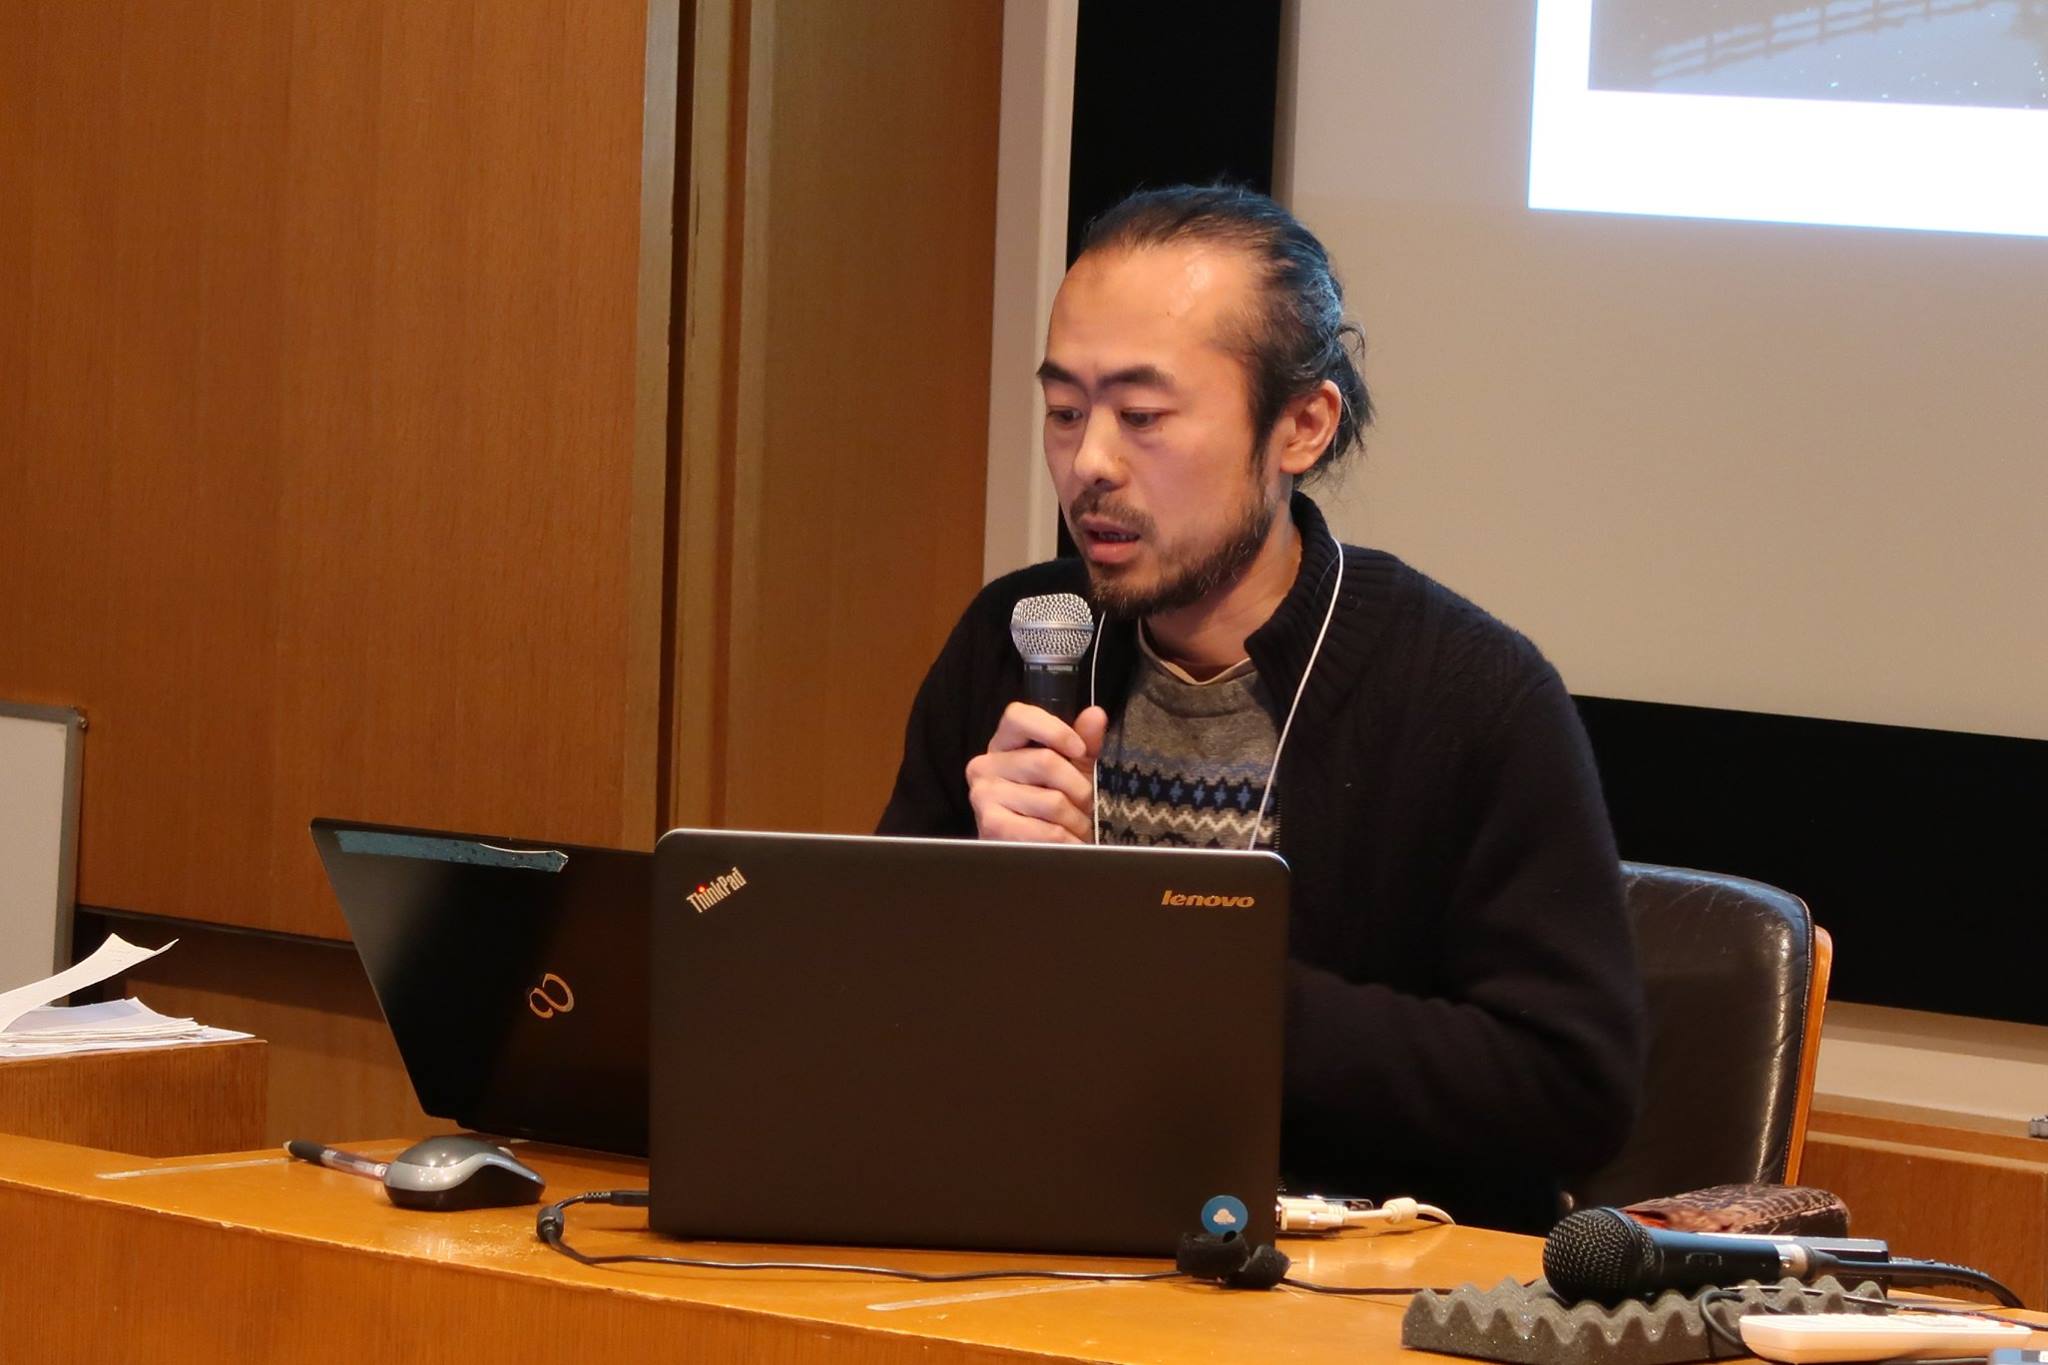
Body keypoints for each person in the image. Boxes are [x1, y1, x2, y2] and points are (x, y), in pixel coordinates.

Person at [878, 185, 1643, 1233]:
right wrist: (979, 889)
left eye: (1142, 417)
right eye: (1064, 411)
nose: (1088, 463)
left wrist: (1203, 989)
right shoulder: (1019, 636)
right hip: (1033, 1239)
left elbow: (1567, 1089)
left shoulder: (1467, 694)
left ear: (1299, 425)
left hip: (1342, 1291)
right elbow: (872, 1017)